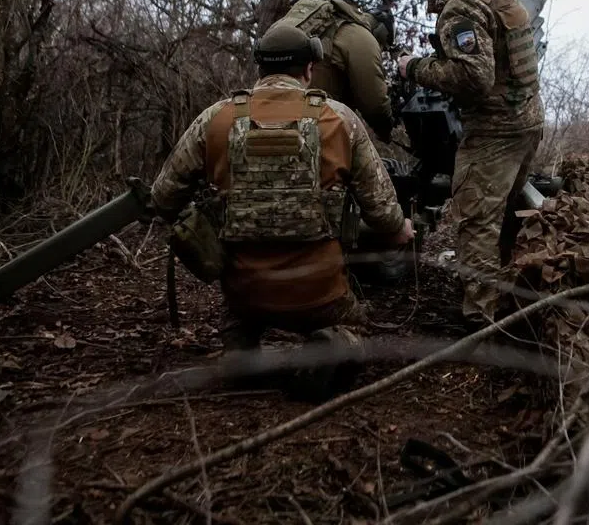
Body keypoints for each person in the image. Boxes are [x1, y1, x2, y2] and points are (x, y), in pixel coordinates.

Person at [151, 23, 414, 393]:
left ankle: (241, 352)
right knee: (357, 327)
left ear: (261, 69)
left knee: (239, 316)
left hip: (244, 290)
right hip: (319, 291)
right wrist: (401, 229)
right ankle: (336, 345)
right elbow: (383, 212)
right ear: (309, 69)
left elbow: (163, 198)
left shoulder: (217, 118)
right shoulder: (339, 119)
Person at [398, 0, 544, 325]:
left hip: (494, 131)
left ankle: (481, 318)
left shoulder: (461, 7)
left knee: (476, 221)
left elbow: (473, 78)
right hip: (527, 121)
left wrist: (415, 67)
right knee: (509, 211)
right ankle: (516, 294)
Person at [269, 0, 396, 143]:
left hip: (270, 110)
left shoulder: (330, 26)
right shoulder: (361, 37)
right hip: (316, 124)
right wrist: (386, 130)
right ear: (381, 32)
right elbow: (374, 103)